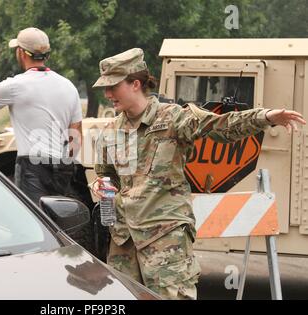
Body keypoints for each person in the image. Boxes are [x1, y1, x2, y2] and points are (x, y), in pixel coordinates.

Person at [91, 48, 306, 300]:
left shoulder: (173, 119)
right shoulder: (112, 131)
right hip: (123, 240)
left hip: (164, 237)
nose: (107, 94)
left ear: (135, 84)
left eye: (113, 87)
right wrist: (103, 184)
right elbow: (107, 176)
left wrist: (266, 117)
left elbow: (222, 126)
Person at [0, 27, 83, 205]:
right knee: (57, 222)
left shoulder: (15, 85)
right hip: (63, 166)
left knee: (35, 223)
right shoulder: (69, 87)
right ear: (47, 54)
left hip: (32, 167)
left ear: (21, 53)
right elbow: (76, 136)